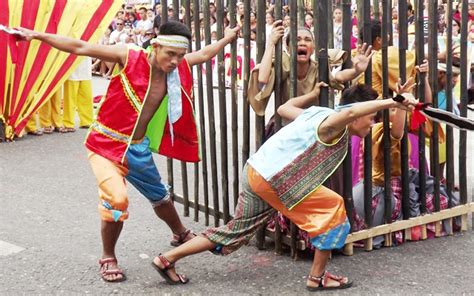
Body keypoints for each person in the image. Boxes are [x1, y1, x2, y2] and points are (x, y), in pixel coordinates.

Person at [15, 21, 240, 283]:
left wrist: (226, 38)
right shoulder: (129, 56)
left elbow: (203, 54)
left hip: (137, 147)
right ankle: (107, 256)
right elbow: (80, 47)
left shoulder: (176, 70)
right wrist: (36, 35)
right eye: (170, 54)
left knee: (160, 197)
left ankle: (180, 233)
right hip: (106, 144)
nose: (175, 61)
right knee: (117, 200)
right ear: (155, 46)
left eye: (180, 56)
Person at [150, 82, 417, 290]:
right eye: (370, 117)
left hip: (256, 172)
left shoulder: (316, 113)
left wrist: (312, 93)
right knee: (333, 207)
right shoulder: (334, 122)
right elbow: (348, 111)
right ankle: (318, 277)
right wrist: (390, 101)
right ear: (358, 113)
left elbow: (284, 108)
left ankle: (167, 258)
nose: (371, 123)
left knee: (233, 232)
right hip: (276, 180)